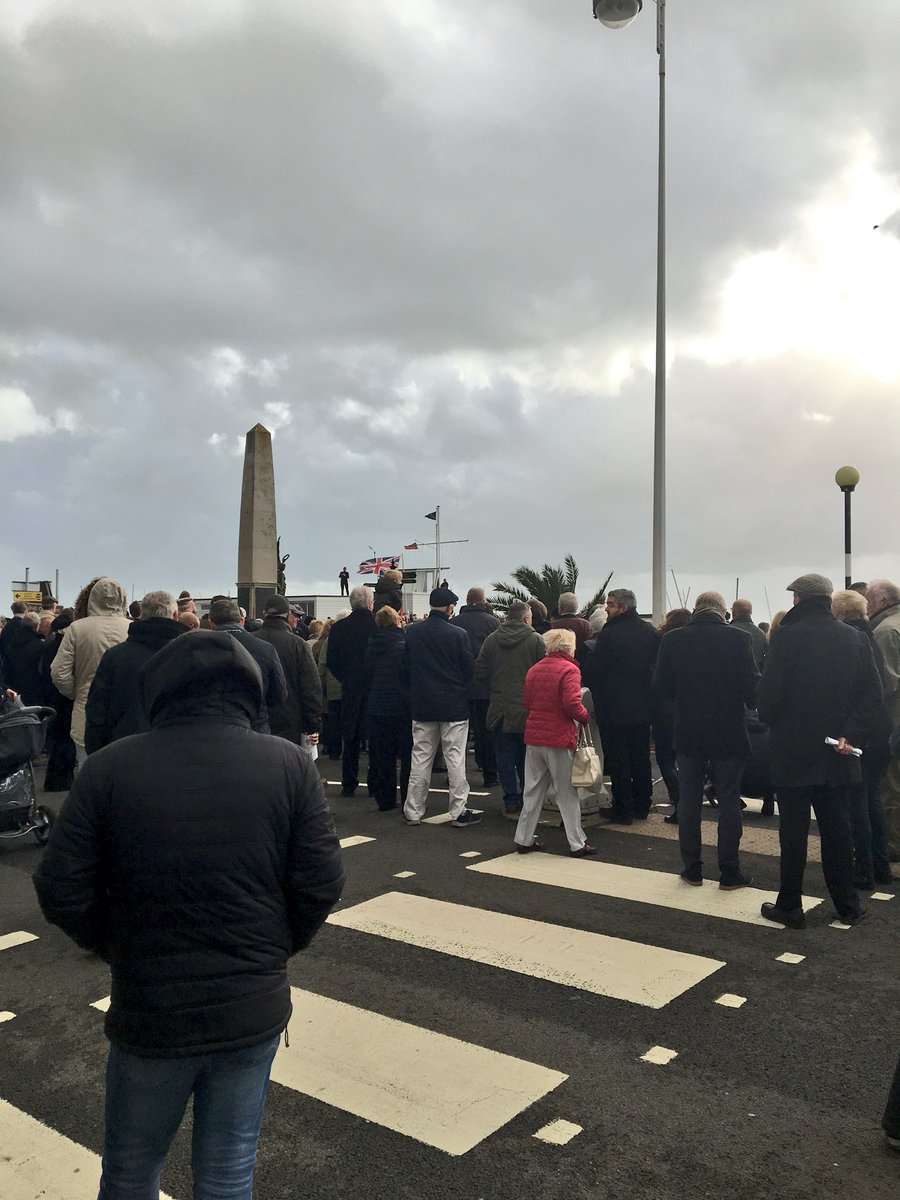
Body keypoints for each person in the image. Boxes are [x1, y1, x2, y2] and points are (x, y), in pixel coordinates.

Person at [33, 632, 345, 1199]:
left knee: (130, 1172)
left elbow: (60, 888)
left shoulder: (108, 768)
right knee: (228, 1174)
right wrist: (274, 947)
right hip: (251, 1002)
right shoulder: (288, 765)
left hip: (152, 1004)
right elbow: (322, 882)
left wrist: (118, 945)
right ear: (250, 691)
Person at [757, 573, 883, 928]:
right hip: (837, 750)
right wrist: (850, 735)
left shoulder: (786, 638)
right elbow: (871, 695)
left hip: (793, 748)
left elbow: (768, 700)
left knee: (794, 832)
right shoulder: (856, 638)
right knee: (837, 829)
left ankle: (790, 906)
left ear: (798, 598)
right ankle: (848, 905)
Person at [654, 592, 760, 888]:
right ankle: (729, 870)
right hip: (729, 729)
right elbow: (752, 690)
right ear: (723, 612)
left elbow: (661, 686)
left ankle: (692, 867)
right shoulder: (739, 639)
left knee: (689, 798)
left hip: (689, 728)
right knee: (728, 798)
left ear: (696, 610)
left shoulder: (673, 639)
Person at [402, 585, 480, 827]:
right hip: (453, 705)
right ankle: (458, 810)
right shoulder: (458, 634)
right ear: (449, 608)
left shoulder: (412, 633)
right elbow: (469, 669)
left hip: (423, 704)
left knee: (421, 757)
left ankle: (413, 810)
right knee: (455, 758)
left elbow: (405, 667)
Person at [514, 628, 595, 857]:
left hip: (535, 735)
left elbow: (528, 700)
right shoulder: (570, 669)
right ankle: (576, 842)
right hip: (559, 736)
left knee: (532, 790)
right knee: (566, 792)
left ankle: (524, 838)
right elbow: (571, 703)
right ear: (568, 646)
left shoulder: (534, 669)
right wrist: (583, 715)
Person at [832, 588, 895, 886]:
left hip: (863, 735)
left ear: (842, 614)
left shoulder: (852, 640)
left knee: (858, 802)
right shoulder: (872, 635)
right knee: (871, 799)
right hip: (882, 730)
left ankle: (865, 870)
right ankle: (880, 865)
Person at [583, 587, 659, 824]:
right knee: (640, 757)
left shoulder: (609, 634)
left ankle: (623, 807)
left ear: (623, 607)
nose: (607, 608)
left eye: (611, 604)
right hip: (642, 705)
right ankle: (643, 803)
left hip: (613, 706)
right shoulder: (650, 632)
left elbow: (596, 671)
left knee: (619, 759)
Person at [84, 591, 185, 754]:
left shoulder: (115, 656)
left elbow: (97, 710)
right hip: (176, 753)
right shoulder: (187, 656)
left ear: (141, 616)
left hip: (122, 750)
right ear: (175, 615)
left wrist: (96, 753)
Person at [474, 600, 546, 817]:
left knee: (505, 757)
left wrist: (496, 687)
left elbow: (479, 672)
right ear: (526, 618)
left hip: (499, 708)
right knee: (528, 759)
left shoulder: (491, 640)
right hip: (528, 709)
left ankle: (510, 800)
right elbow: (544, 673)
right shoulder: (535, 640)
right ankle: (529, 799)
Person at [51, 577, 130, 771]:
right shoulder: (131, 627)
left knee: (87, 769)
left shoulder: (77, 628)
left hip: (85, 708)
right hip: (124, 710)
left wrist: (75, 692)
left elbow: (59, 672)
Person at [251, 594, 322, 749]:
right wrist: (313, 724)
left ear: (264, 614)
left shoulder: (250, 642)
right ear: (287, 614)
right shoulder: (298, 645)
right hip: (290, 721)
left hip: (256, 719)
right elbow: (310, 687)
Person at [207, 598, 287, 734]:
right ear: (242, 621)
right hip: (256, 725)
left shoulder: (201, 649)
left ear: (211, 623)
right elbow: (279, 694)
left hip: (213, 726)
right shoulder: (266, 649)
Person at [326, 585, 376, 796]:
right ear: (370, 603)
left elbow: (331, 661)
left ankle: (348, 782)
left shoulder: (338, 628)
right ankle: (375, 783)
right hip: (374, 687)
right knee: (375, 739)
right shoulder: (377, 625)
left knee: (351, 737)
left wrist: (346, 678)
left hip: (350, 686)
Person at [452, 587, 501, 788]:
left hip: (459, 687)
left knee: (457, 735)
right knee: (486, 731)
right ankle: (490, 775)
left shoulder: (454, 623)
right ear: (484, 601)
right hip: (484, 686)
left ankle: (454, 776)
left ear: (466, 600)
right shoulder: (494, 623)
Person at [365, 606, 413, 811]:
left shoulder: (371, 647)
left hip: (377, 705)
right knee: (408, 755)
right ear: (396, 622)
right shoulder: (403, 645)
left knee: (383, 755)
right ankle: (408, 799)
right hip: (401, 706)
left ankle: (384, 799)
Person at [866, 579, 900, 863]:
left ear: (884, 601)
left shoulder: (886, 630)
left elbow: (885, 683)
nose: (866, 604)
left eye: (870, 599)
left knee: (890, 785)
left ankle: (891, 845)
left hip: (893, 719)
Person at [652, 608, 692, 824]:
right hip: (688, 707)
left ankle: (679, 801)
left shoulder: (662, 640)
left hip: (665, 707)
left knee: (665, 757)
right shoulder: (693, 643)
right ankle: (686, 802)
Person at [39, 609, 77, 791]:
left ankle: (55, 780)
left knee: (58, 740)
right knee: (66, 739)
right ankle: (62, 780)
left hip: (51, 695)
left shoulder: (48, 645)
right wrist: (71, 692)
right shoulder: (67, 647)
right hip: (65, 697)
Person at [2, 610, 46, 705]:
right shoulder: (40, 646)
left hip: (14, 689)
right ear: (36, 626)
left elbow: (6, 668)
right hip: (35, 689)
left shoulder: (12, 644)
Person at [550, 592, 592, 669]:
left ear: (560, 607)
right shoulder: (585, 625)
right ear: (576, 607)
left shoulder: (552, 625)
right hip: (580, 666)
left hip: (557, 666)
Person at [730, 598, 767, 671]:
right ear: (750, 613)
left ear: (733, 612)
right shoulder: (761, 634)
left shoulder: (728, 631)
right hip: (755, 679)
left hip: (731, 677)